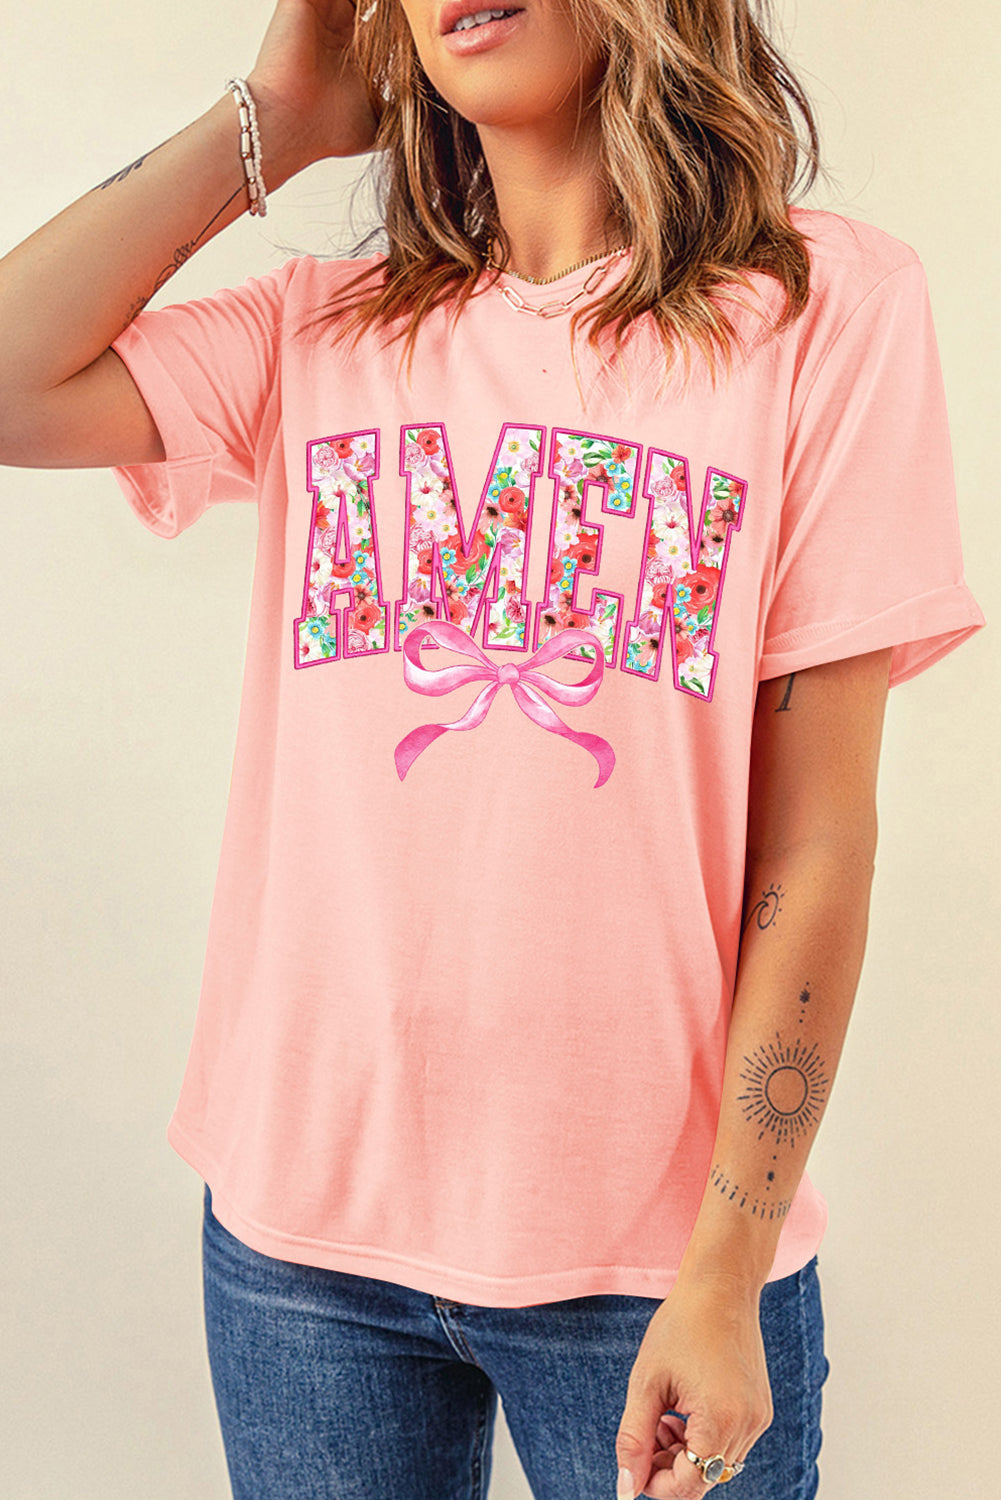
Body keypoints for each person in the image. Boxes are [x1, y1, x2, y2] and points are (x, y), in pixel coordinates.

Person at [0, 0, 985, 1496]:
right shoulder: (321, 327)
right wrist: (269, 119)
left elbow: (816, 839)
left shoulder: (821, 309)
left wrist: (725, 1269)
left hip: (659, 1265)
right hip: (302, 1250)